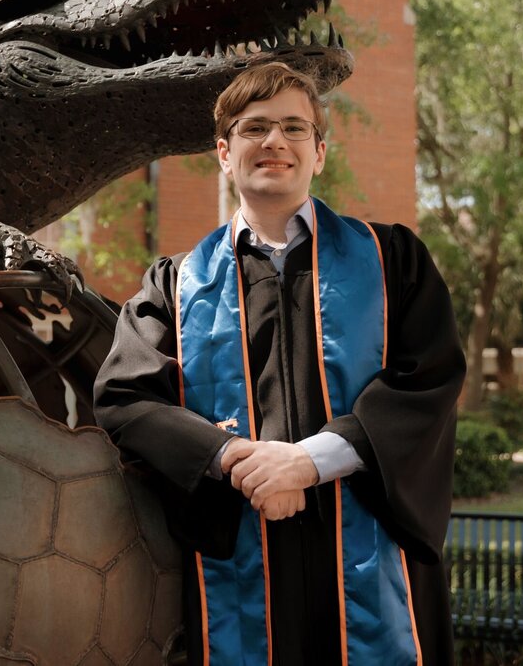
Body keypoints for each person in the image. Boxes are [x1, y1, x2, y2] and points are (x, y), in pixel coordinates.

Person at [93, 62, 465, 666]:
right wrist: (235, 460)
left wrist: (305, 463)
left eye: (294, 128)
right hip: (238, 551)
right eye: (254, 128)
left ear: (319, 153)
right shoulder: (175, 284)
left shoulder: (392, 260)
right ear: (223, 151)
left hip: (371, 558)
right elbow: (125, 399)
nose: (275, 142)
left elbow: (428, 379)